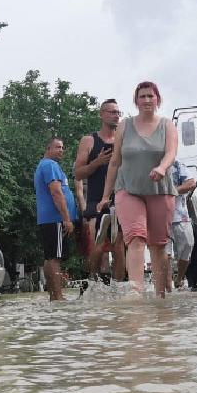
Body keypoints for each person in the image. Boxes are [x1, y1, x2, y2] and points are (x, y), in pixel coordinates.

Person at [96, 81, 178, 297]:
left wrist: (161, 167)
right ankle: (136, 293)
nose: (147, 100)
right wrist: (105, 195)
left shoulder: (167, 125)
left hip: (160, 190)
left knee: (158, 245)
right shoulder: (125, 125)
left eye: (151, 96)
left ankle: (161, 296)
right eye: (142, 96)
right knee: (135, 238)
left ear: (157, 99)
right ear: (136, 101)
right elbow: (115, 162)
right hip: (128, 190)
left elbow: (171, 153)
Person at [74, 99, 126, 282]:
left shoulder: (124, 140)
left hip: (121, 198)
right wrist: (97, 162)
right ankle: (92, 282)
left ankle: (118, 287)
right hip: (96, 199)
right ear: (101, 114)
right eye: (112, 112)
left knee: (119, 245)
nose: (116, 116)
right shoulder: (89, 140)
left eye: (118, 112)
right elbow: (78, 173)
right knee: (97, 243)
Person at [34, 137, 77, 301]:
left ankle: (53, 296)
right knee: (55, 258)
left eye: (62, 147)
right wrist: (66, 218)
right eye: (58, 147)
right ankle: (58, 296)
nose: (61, 150)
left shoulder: (45, 165)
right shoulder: (50, 165)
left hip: (49, 219)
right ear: (48, 149)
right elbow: (56, 192)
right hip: (55, 218)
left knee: (50, 256)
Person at [165, 160, 197, 292]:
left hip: (181, 216)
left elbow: (191, 183)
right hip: (160, 219)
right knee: (165, 255)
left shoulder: (177, 165)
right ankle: (167, 288)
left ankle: (179, 278)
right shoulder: (149, 164)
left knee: (188, 245)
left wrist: (171, 192)